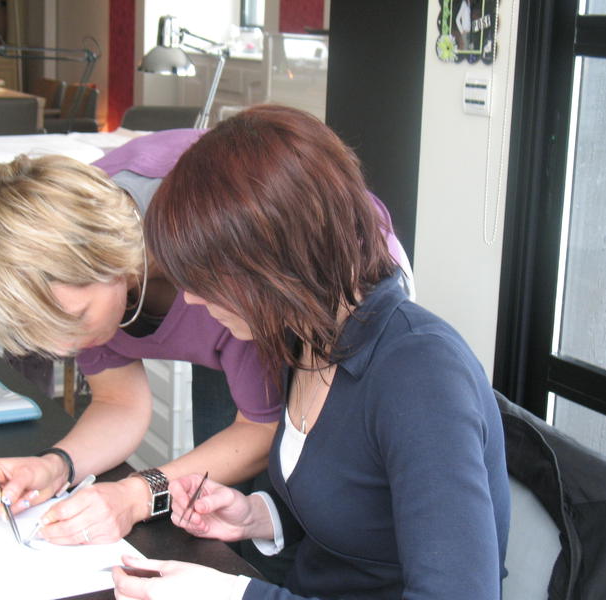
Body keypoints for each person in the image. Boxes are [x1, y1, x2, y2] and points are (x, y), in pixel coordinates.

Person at [112, 105, 510, 600]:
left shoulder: (421, 376)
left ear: (277, 259)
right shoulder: (304, 340)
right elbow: (356, 514)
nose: (190, 299)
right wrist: (256, 516)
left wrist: (233, 596)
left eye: (206, 278)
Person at [0, 127, 415, 548]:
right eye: (44, 334)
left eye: (74, 319)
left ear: (107, 259)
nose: (64, 347)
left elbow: (259, 427)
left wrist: (136, 496)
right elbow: (120, 402)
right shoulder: (61, 247)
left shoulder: (215, 252)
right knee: (214, 504)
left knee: (304, 490)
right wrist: (55, 466)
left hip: (318, 287)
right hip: (232, 308)